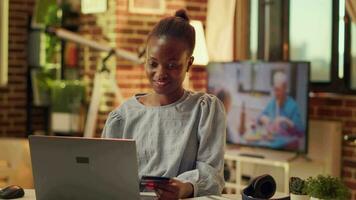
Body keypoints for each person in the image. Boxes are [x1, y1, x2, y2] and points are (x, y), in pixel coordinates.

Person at [102, 9, 226, 199]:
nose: (160, 73)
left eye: (172, 65)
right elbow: (106, 173)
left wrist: (186, 187)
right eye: (153, 64)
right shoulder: (123, 116)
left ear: (189, 64)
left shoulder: (204, 109)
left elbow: (212, 174)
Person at [258, 71, 304, 136]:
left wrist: (286, 120)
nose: (275, 93)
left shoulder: (293, 106)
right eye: (274, 90)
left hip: (287, 144)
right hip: (273, 142)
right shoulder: (272, 103)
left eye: (278, 90)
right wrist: (264, 119)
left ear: (285, 88)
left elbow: (301, 131)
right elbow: (260, 117)